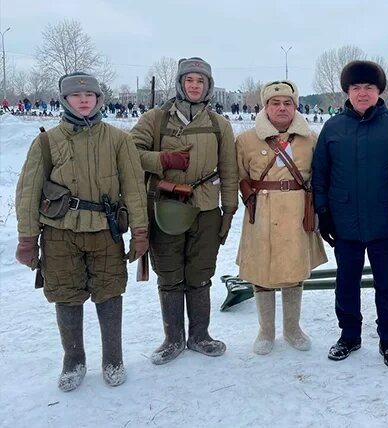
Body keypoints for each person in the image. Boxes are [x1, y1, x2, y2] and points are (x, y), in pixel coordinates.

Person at [15, 72, 148, 391]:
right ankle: (73, 361)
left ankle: (113, 359)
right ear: (65, 100)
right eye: (76, 96)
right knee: (65, 294)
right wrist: (26, 239)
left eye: (90, 95)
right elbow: (28, 191)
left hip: (106, 231)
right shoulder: (47, 142)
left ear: (100, 99)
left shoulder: (119, 139)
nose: (84, 100)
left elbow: (133, 188)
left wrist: (140, 232)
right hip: (60, 233)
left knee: (110, 292)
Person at [131, 57, 238, 365]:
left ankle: (200, 335)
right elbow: (130, 153)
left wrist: (228, 211)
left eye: (200, 81)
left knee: (200, 273)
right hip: (166, 207)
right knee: (169, 273)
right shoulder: (156, 119)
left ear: (208, 86)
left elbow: (229, 170)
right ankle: (173, 338)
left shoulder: (219, 125)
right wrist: (162, 160)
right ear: (180, 83)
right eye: (189, 80)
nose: (194, 86)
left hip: (205, 208)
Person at [311, 60, 388, 367]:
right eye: (356, 88)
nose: (362, 93)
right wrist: (323, 211)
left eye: (369, 87)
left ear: (379, 91)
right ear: (347, 92)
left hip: (385, 220)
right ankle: (349, 335)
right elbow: (320, 173)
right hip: (345, 221)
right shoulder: (333, 127)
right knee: (346, 282)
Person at [235, 80, 327, 355]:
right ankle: (266, 331)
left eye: (288, 103)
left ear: (295, 106)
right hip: (261, 213)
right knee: (261, 273)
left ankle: (292, 329)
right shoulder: (246, 140)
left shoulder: (311, 139)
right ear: (266, 107)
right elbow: (238, 176)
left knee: (294, 271)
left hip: (298, 212)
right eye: (275, 103)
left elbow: (321, 177)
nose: (282, 108)